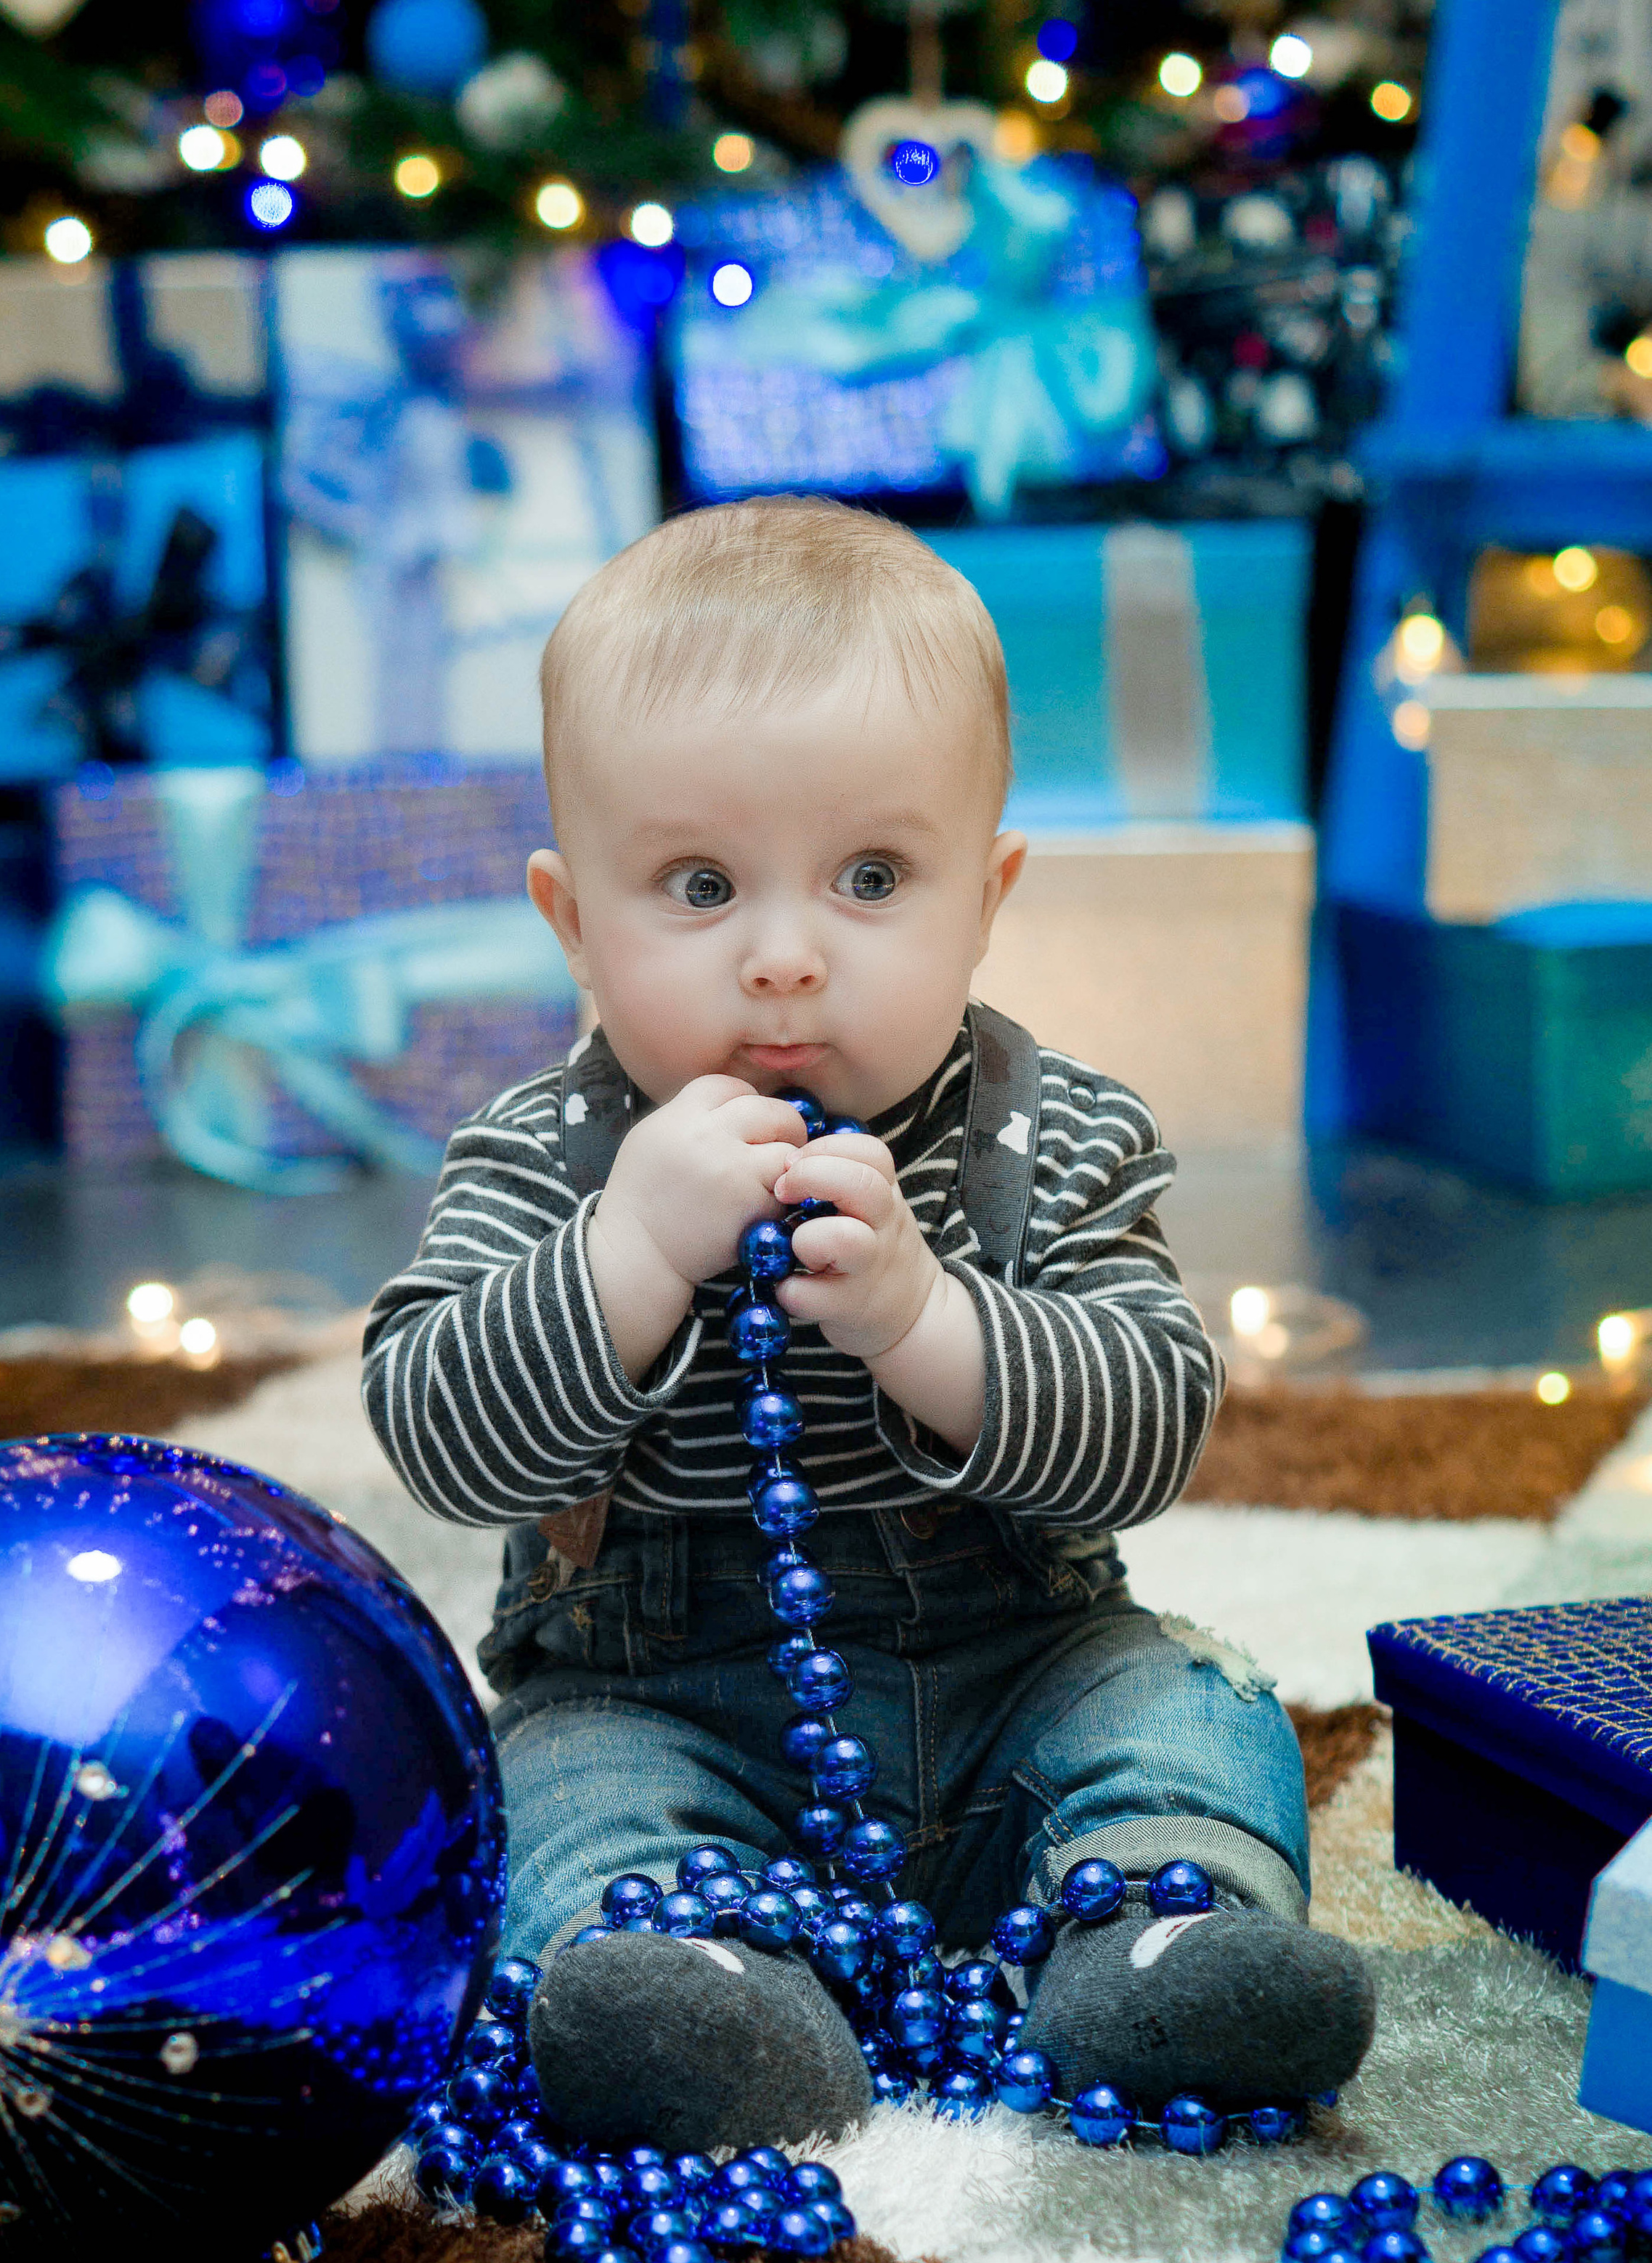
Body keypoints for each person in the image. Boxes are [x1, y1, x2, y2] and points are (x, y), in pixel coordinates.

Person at [363, 497, 1375, 2156]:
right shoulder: (545, 1154)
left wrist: (927, 1319)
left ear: (987, 896)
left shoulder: (1056, 1134)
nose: (782, 959)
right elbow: (437, 1429)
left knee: (1197, 1701)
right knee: (540, 1798)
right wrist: (626, 1253)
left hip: (1016, 1681)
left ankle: (1151, 1941)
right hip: (663, 1708)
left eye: (871, 878)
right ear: (571, 918)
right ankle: (694, 1988)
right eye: (698, 884)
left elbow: (1150, 1428)